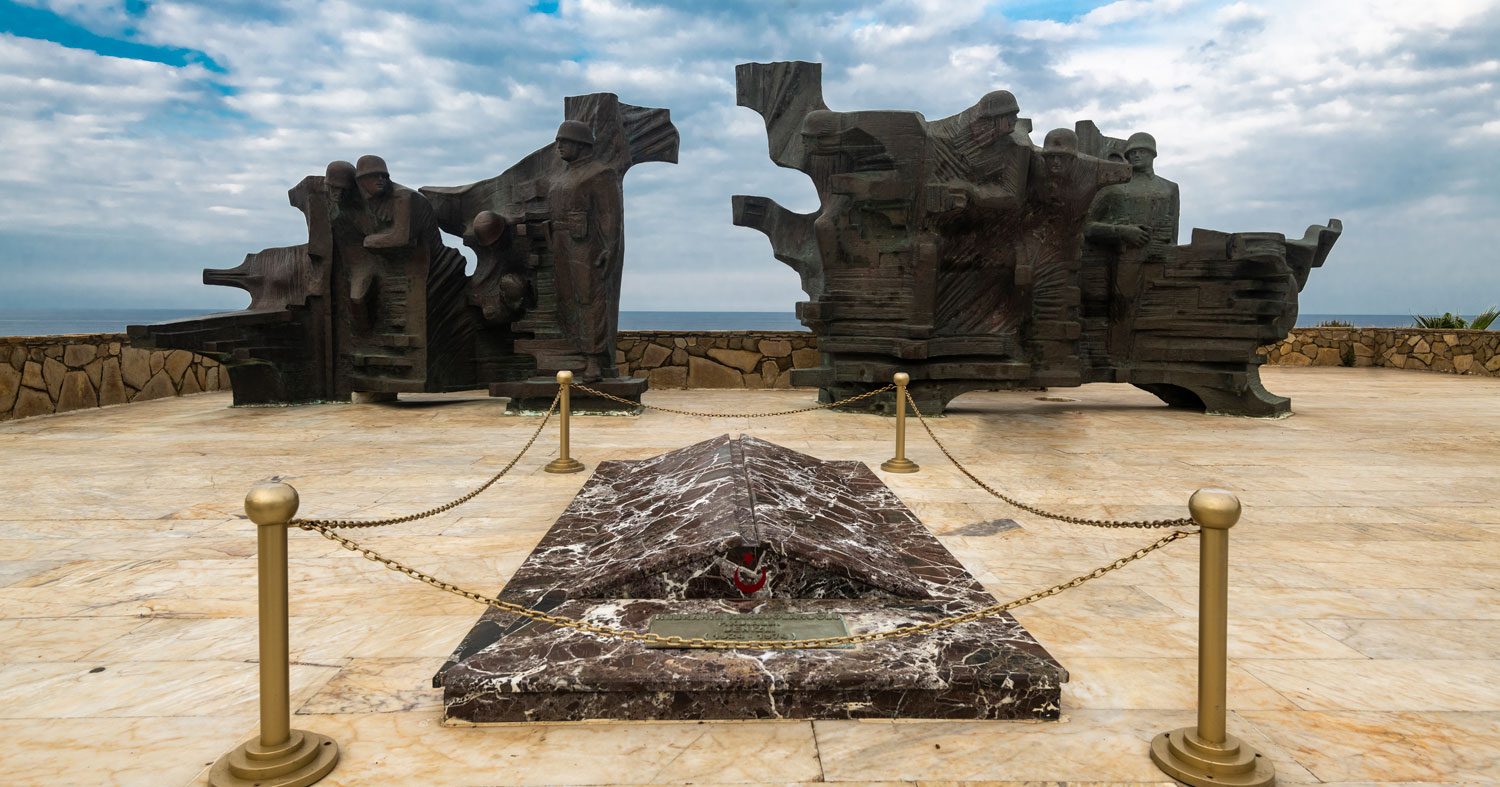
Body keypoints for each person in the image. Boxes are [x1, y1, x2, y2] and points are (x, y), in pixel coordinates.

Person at [546, 120, 624, 381]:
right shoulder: (560, 176)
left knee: (590, 299)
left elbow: (610, 214)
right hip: (559, 242)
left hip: (586, 245)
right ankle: (574, 353)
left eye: (564, 141)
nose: (559, 146)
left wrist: (609, 246)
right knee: (566, 299)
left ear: (580, 144)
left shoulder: (600, 173)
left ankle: (593, 360)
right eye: (558, 141)